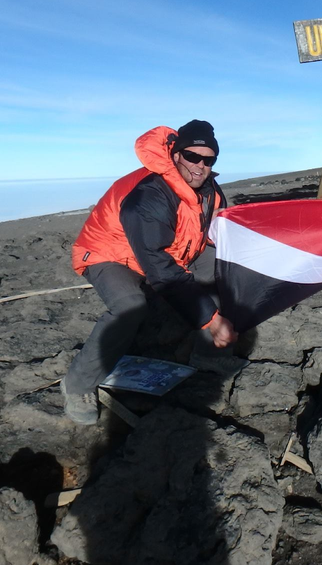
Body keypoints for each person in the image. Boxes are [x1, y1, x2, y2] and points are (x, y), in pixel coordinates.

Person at [61, 120, 237, 425]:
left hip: (168, 250)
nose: (200, 166)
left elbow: (211, 229)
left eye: (208, 160)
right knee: (131, 307)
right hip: (111, 253)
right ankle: (77, 385)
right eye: (193, 157)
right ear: (176, 154)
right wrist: (209, 318)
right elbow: (158, 265)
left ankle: (207, 352)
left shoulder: (208, 189)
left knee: (220, 270)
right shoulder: (150, 194)